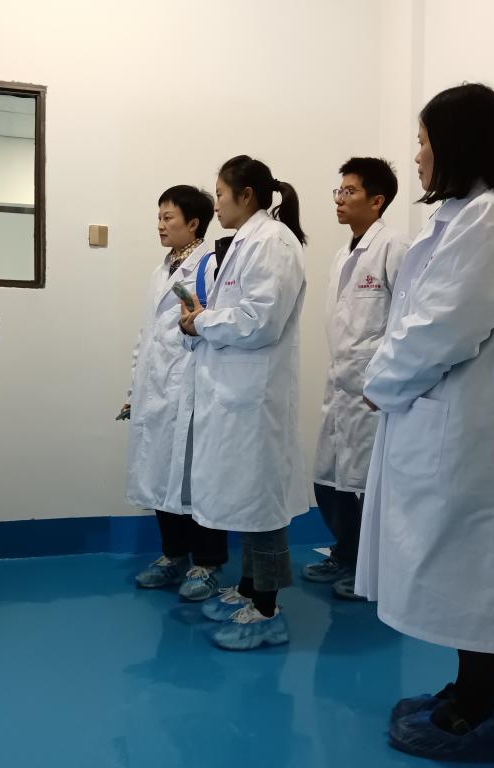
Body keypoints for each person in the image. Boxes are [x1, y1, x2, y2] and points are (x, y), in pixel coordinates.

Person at [355, 84, 494, 761]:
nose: (416, 156)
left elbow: (441, 326)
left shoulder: (493, 219)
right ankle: (467, 689)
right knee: (462, 566)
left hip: (472, 434)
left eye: (423, 142)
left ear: (457, 144)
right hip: (444, 420)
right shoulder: (463, 217)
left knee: (478, 568)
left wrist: (379, 382)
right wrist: (387, 378)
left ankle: (475, 706)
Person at [179, 155, 309, 651]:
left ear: (246, 195)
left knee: (262, 506)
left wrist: (203, 321)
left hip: (256, 401)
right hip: (237, 395)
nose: (215, 204)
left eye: (219, 194)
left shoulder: (273, 243)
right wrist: (202, 319)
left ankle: (268, 611)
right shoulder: (246, 243)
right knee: (248, 502)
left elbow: (260, 321)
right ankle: (251, 588)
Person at [305, 157, 409, 600]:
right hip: (341, 384)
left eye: (350, 191)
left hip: (373, 389)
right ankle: (346, 554)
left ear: (377, 200)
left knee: (370, 486)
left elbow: (406, 318)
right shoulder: (342, 254)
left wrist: (386, 376)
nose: (340, 199)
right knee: (328, 480)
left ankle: (374, 570)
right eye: (339, 191)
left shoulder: (395, 247)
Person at [123, 185, 227, 602]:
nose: (161, 225)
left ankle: (208, 562)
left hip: (192, 386)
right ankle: (173, 554)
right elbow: (147, 334)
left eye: (168, 218)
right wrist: (134, 387)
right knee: (159, 471)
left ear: (194, 223)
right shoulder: (161, 270)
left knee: (197, 478)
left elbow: (215, 325)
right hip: (157, 388)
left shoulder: (212, 266)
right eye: (159, 217)